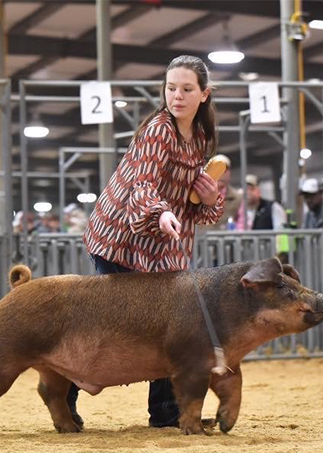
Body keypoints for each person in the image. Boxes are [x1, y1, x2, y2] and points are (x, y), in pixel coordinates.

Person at [76, 55, 224, 429]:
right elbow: (142, 185)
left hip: (162, 244)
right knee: (112, 326)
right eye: (171, 88)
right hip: (119, 237)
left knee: (171, 323)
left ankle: (166, 412)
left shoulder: (201, 138)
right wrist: (159, 212)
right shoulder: (159, 130)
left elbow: (197, 204)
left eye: (186, 89)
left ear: (204, 94)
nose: (177, 96)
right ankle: (64, 390)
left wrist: (210, 199)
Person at [207, 154, 243, 230]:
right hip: (202, 237)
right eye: (217, 169)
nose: (221, 174)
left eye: (224, 170)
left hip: (228, 237)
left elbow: (242, 224)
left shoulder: (238, 197)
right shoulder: (198, 194)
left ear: (229, 173)